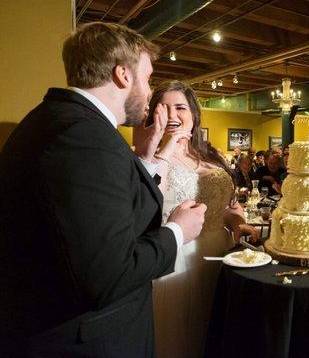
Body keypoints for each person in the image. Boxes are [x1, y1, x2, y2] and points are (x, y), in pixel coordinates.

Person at [0, 22, 206, 357]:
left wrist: (148, 159)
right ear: (123, 75)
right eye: (148, 77)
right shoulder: (84, 138)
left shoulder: (62, 120)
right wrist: (177, 232)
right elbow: (108, 274)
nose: (150, 90)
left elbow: (109, 207)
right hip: (88, 339)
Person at [140, 81, 257, 357]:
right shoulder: (148, 158)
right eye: (163, 108)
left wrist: (238, 224)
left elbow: (226, 207)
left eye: (180, 108)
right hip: (180, 258)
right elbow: (147, 203)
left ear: (193, 114)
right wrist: (165, 148)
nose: (172, 115)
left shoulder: (210, 156)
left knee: (216, 333)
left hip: (220, 254)